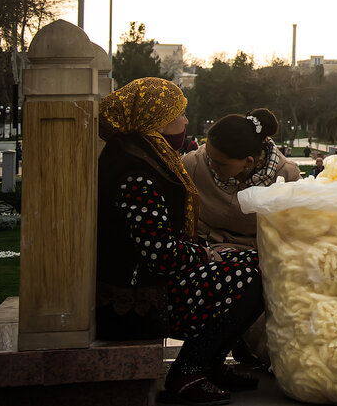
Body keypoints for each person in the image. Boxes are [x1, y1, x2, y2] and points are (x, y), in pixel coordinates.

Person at [96, 77, 263, 405]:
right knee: (252, 275)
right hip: (133, 304)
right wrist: (208, 256)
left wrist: (209, 253)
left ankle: (209, 363)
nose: (185, 122)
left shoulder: (142, 156)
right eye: (178, 114)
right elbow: (161, 256)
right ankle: (188, 370)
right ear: (154, 120)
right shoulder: (135, 173)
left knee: (257, 263)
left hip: (148, 286)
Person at [182, 108, 301, 252]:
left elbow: (298, 230)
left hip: (257, 255)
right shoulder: (194, 164)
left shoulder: (287, 177)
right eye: (209, 157)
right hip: (202, 249)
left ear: (248, 163)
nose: (212, 166)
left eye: (220, 164)